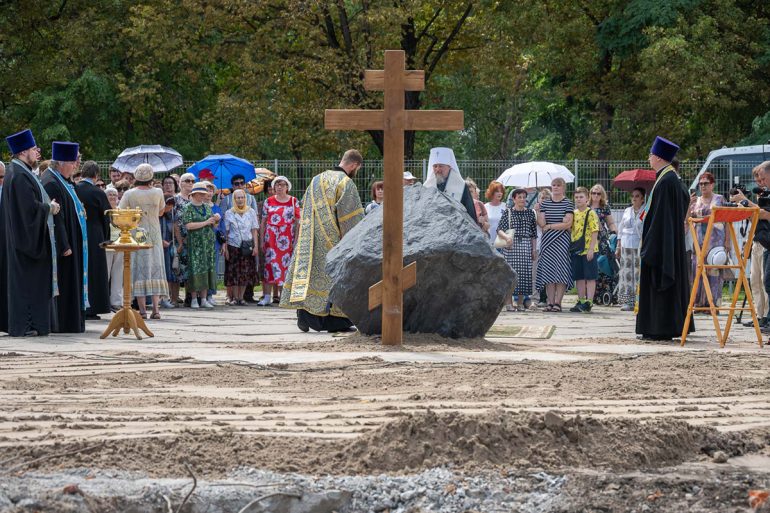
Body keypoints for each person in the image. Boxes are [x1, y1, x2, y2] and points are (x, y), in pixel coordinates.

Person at [281, 149, 365, 332]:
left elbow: (305, 205)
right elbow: (350, 219)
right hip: (332, 241)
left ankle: (304, 316)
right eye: (357, 168)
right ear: (354, 165)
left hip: (309, 238)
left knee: (311, 277)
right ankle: (332, 322)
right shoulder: (345, 183)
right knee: (331, 279)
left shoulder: (316, 179)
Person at [0, 129, 60, 337]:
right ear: (24, 151)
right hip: (26, 243)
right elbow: (28, 210)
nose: (38, 153)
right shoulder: (18, 175)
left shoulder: (19, 171)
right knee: (27, 285)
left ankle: (31, 324)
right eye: (35, 149)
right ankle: (28, 324)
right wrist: (49, 208)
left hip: (23, 240)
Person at [636, 136, 694, 341]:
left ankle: (659, 327)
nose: (649, 158)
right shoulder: (672, 179)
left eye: (651, 155)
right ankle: (664, 326)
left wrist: (649, 245)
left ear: (659, 157)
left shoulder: (666, 181)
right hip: (669, 241)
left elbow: (660, 219)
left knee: (658, 282)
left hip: (661, 243)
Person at [41, 141, 88, 333]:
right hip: (64, 248)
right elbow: (56, 217)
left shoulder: (62, 180)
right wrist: (64, 244)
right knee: (65, 283)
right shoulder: (51, 182)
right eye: (72, 162)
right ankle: (64, 322)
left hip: (73, 243)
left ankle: (72, 320)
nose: (76, 166)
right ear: (60, 163)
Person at [119, 164, 169, 319]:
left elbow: (121, 212)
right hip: (154, 233)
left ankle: (141, 310)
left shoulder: (129, 194)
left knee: (139, 268)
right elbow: (161, 211)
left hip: (137, 232)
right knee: (155, 266)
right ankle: (156, 309)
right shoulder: (158, 192)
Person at [688, 171, 731, 307]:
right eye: (701, 184)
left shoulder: (719, 199)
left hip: (715, 242)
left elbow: (727, 221)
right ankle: (698, 303)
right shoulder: (696, 201)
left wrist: (727, 241)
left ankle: (712, 304)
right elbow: (688, 219)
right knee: (698, 271)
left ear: (712, 185)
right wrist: (689, 205)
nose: (703, 186)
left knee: (714, 273)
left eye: (706, 183)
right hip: (698, 241)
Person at [76, 160, 112, 319]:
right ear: (96, 175)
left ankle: (80, 306)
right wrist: (106, 237)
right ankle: (94, 306)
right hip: (95, 233)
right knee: (95, 271)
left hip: (78, 233)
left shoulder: (74, 189)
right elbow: (106, 217)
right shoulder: (98, 193)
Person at [260, 175, 301, 306]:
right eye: (277, 185)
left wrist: (297, 239)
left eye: (282, 184)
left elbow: (299, 222)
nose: (279, 187)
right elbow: (263, 221)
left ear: (287, 187)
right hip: (271, 238)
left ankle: (284, 297)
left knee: (286, 266)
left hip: (287, 238)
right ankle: (267, 297)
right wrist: (261, 240)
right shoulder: (269, 201)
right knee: (269, 266)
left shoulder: (294, 201)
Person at [536, 178, 574, 312]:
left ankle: (558, 303)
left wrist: (551, 225)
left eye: (558, 185)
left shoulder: (568, 203)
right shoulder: (545, 203)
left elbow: (568, 224)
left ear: (563, 187)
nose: (556, 187)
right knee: (549, 272)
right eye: (553, 185)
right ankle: (550, 303)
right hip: (547, 242)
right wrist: (538, 211)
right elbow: (541, 223)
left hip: (562, 241)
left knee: (561, 271)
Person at [497, 188, 537, 311]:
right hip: (511, 246)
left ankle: (520, 303)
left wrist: (533, 250)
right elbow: (499, 229)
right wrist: (506, 238)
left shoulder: (530, 213)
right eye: (519, 197)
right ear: (514, 199)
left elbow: (533, 234)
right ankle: (509, 303)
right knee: (511, 275)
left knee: (524, 275)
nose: (522, 199)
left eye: (524, 197)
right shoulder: (508, 212)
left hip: (525, 245)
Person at [182, 182, 219, 309]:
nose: (204, 196)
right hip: (195, 244)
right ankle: (193, 298)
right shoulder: (188, 208)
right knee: (195, 269)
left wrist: (215, 220)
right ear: (195, 194)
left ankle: (203, 299)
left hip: (207, 243)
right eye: (202, 194)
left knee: (207, 268)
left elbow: (213, 225)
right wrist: (205, 222)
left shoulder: (207, 207)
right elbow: (188, 225)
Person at [224, 189, 260, 305]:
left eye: (242, 197)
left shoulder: (251, 212)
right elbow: (226, 232)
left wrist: (255, 247)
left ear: (245, 198)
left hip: (247, 246)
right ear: (234, 199)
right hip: (233, 246)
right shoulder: (229, 213)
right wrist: (225, 248)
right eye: (237, 198)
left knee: (245, 272)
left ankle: (241, 297)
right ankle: (234, 298)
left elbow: (254, 230)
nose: (240, 200)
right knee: (234, 273)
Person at [423, 147, 478, 223]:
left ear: (449, 167)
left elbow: (470, 212)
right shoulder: (427, 186)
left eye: (441, 166)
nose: (438, 169)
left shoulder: (461, 186)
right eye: (435, 166)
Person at [569, 187, 600, 313]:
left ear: (587, 198)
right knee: (579, 277)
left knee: (590, 277)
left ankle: (589, 302)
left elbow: (595, 231)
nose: (578, 199)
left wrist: (591, 249)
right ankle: (581, 300)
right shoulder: (574, 213)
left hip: (588, 249)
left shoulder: (591, 213)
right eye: (576, 197)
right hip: (577, 249)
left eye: (581, 197)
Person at [616, 187, 645, 311]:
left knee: (638, 273)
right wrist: (618, 245)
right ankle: (627, 301)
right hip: (626, 245)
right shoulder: (627, 210)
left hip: (639, 244)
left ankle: (640, 300)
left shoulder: (646, 210)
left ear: (642, 198)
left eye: (637, 196)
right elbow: (621, 228)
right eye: (633, 196)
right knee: (627, 273)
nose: (634, 198)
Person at [172, 172, 196, 305]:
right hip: (180, 239)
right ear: (180, 183)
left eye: (193, 181)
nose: (190, 183)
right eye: (187, 181)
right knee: (178, 268)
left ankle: (189, 296)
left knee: (192, 269)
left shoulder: (197, 199)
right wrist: (180, 241)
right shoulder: (176, 200)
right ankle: (174, 298)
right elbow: (174, 222)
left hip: (194, 239)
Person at [104, 186, 123, 311]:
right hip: (107, 246)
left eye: (114, 195)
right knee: (106, 274)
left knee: (118, 274)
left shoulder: (121, 211)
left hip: (120, 245)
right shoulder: (104, 211)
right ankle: (104, 301)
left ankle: (116, 301)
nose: (112, 197)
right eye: (109, 194)